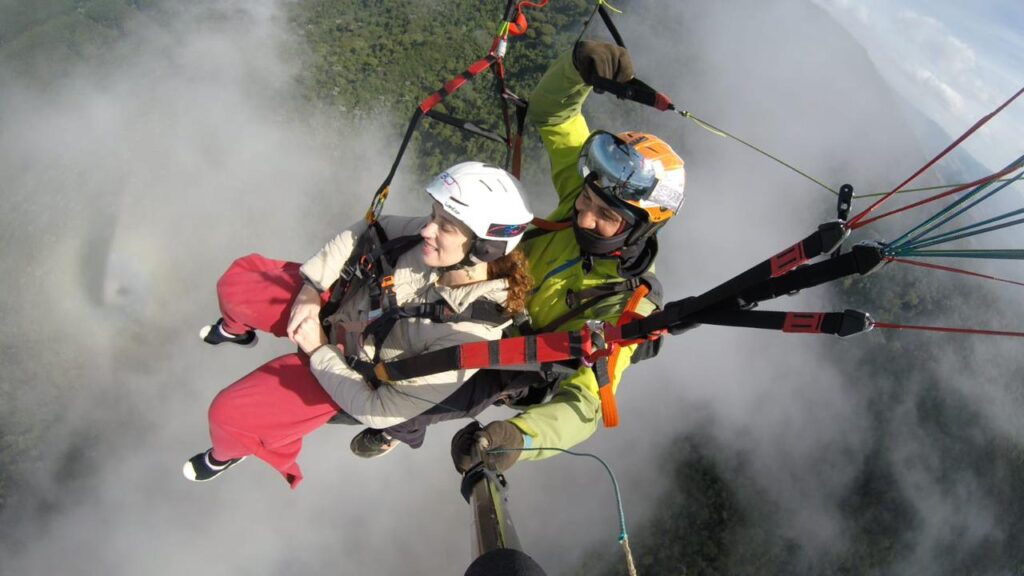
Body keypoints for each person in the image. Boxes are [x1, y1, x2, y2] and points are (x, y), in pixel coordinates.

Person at [351, 41, 688, 473]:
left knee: (452, 388)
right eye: (584, 199)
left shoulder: (630, 303)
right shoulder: (590, 196)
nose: (583, 218)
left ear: (642, 226)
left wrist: (518, 438)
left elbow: (584, 402)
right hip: (499, 284)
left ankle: (400, 427)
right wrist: (577, 69)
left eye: (605, 216)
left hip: (524, 353)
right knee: (425, 253)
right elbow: (555, 115)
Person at [182, 162, 533, 488]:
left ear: (483, 248)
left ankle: (228, 454)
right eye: (433, 215)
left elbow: (379, 411)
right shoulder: (432, 245)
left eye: (445, 226)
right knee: (236, 284)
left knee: (228, 416)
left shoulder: (467, 340)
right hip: (340, 304)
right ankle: (236, 329)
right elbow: (369, 231)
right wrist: (311, 289)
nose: (427, 228)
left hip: (344, 368)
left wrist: (318, 350)